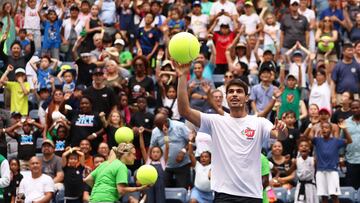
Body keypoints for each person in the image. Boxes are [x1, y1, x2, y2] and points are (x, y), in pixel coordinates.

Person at [176, 61, 287, 202]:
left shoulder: (259, 122)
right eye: (231, 92)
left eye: (239, 92)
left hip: (251, 196)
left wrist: (283, 129)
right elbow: (184, 111)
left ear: (247, 98)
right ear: (226, 98)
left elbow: (280, 136)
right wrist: (182, 76)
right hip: (224, 195)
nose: (234, 94)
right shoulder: (215, 121)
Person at [84, 143, 150, 202]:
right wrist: (140, 188)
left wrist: (100, 190)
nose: (135, 157)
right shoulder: (121, 166)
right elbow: (121, 190)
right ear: (126, 154)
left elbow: (87, 179)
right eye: (133, 154)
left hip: (94, 199)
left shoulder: (104, 164)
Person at [308, 121, 352, 203]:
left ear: (331, 130)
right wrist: (311, 126)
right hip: (320, 171)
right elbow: (308, 137)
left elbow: (349, 140)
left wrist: (345, 129)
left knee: (334, 195)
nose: (324, 129)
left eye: (326, 127)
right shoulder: (317, 140)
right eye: (322, 128)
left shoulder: (336, 141)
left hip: (332, 171)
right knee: (323, 196)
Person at [150, 112, 191, 188]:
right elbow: (152, 148)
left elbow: (192, 140)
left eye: (160, 126)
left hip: (182, 165)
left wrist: (183, 151)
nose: (160, 129)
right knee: (164, 191)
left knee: (182, 190)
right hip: (165, 166)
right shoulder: (155, 132)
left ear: (166, 121)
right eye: (157, 127)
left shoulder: (180, 126)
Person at [288, 138, 318, 203]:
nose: (304, 147)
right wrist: (287, 163)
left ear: (309, 149)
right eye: (301, 146)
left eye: (306, 146)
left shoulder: (313, 160)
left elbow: (317, 172)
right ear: (299, 149)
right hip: (300, 185)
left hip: (310, 186)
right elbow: (289, 172)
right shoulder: (296, 161)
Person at [345, 100, 360, 190]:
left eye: (357, 107)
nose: (355, 110)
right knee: (352, 187)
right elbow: (342, 139)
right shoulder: (346, 123)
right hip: (351, 159)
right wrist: (341, 156)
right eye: (353, 108)